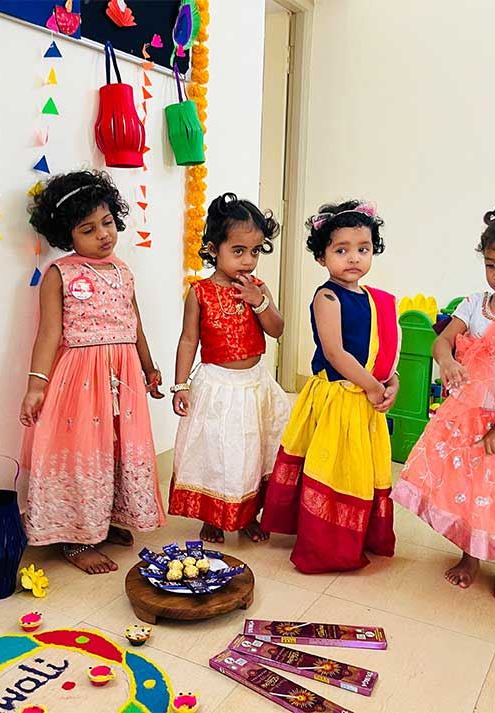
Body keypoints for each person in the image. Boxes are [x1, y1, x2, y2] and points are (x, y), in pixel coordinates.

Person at [394, 203, 495, 600]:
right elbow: (441, 341)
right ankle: (470, 554)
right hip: (470, 413)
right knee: (471, 483)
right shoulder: (473, 304)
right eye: (491, 264)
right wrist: (448, 361)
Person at [19, 170, 165, 575]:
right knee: (86, 452)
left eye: (107, 222)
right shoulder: (60, 273)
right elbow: (48, 333)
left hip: (124, 377)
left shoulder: (123, 271)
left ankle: (105, 519)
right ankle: (75, 537)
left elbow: (135, 324)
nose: (103, 234)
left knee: (117, 449)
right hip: (81, 379)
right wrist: (36, 386)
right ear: (67, 235)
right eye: (88, 229)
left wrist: (149, 367)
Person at [261, 200, 400, 574]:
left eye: (363, 249)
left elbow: (382, 351)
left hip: (365, 397)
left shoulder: (375, 300)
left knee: (359, 468)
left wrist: (392, 382)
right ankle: (325, 544)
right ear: (321, 256)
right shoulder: (327, 296)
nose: (353, 258)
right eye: (341, 250)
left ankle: (357, 535)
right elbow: (336, 353)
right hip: (337, 398)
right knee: (332, 467)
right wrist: (373, 387)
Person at [169, 193, 291, 544]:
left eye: (255, 251)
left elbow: (277, 329)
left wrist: (260, 302)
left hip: (255, 386)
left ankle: (247, 514)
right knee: (218, 452)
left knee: (253, 451)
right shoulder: (200, 292)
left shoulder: (257, 288)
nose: (248, 260)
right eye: (238, 251)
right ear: (213, 248)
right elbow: (188, 340)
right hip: (217, 387)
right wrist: (181, 385)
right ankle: (213, 516)